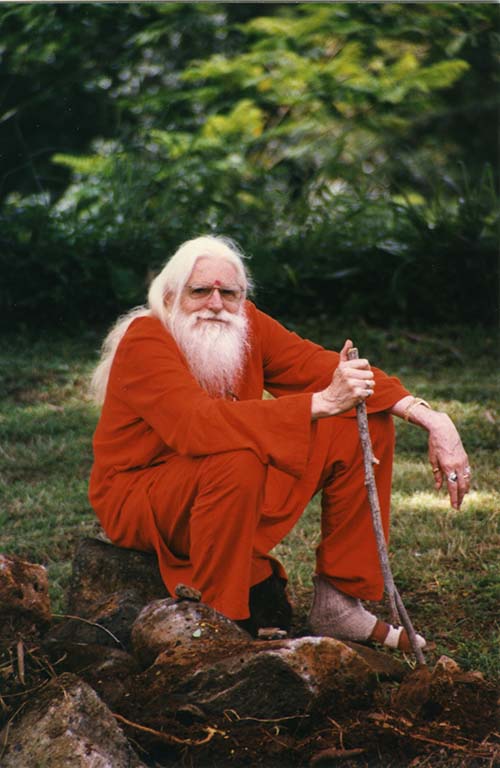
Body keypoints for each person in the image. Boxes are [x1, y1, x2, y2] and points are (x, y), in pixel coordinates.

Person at [89, 235, 471, 650]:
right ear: (170, 296)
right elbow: (195, 427)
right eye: (199, 291)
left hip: (228, 483)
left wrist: (429, 417)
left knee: (365, 421)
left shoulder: (248, 324)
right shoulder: (146, 338)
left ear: (243, 297)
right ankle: (221, 621)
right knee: (236, 457)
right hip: (143, 500)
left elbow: (322, 367)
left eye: (228, 293)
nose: (215, 304)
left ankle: (339, 603)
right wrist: (319, 403)